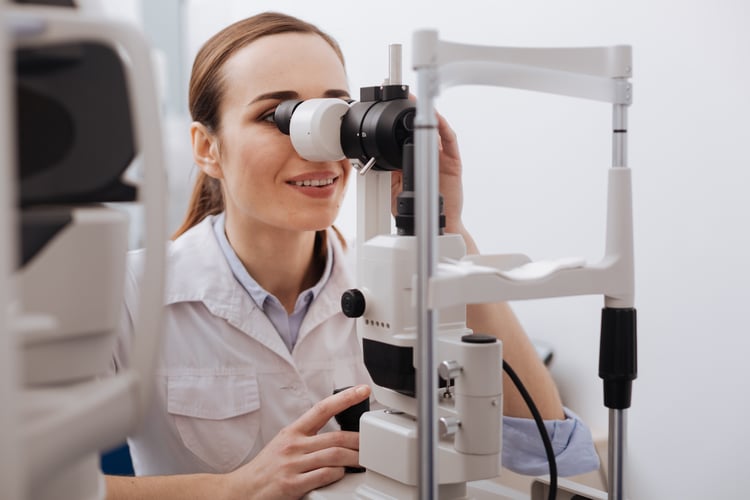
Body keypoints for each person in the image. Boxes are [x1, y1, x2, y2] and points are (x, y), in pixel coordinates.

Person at [107, 11, 599, 500]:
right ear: (207, 147)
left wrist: (445, 229)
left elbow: (548, 452)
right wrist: (233, 489)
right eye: (277, 117)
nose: (320, 148)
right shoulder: (127, 292)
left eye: (335, 116)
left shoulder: (398, 275)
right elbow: (34, 481)